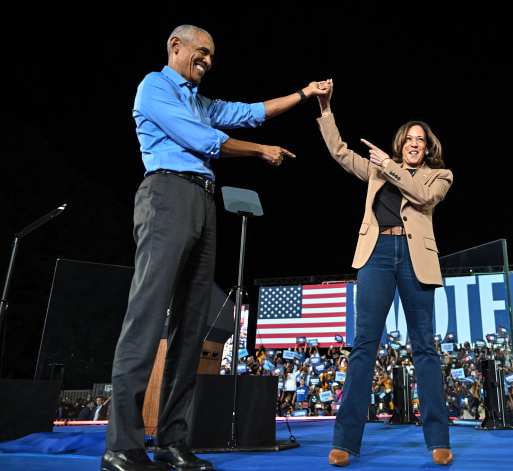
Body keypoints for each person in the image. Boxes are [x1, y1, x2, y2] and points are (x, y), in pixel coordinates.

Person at [102, 25, 329, 471]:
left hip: (204, 202)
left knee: (192, 329)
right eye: (200, 52)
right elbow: (202, 140)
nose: (206, 60)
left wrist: (304, 94)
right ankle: (123, 445)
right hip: (166, 195)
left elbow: (250, 112)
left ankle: (172, 441)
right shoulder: (154, 86)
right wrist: (260, 152)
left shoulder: (201, 102)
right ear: (175, 46)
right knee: (147, 318)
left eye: (211, 56)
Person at [316, 80, 453, 467]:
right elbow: (341, 153)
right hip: (376, 254)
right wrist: (326, 110)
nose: (413, 143)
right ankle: (345, 441)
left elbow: (422, 197)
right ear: (400, 141)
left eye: (420, 140)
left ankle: (438, 440)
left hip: (415, 259)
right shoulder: (377, 171)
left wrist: (389, 166)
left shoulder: (439, 176)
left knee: (424, 348)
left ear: (427, 148)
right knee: (364, 347)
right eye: (408, 138)